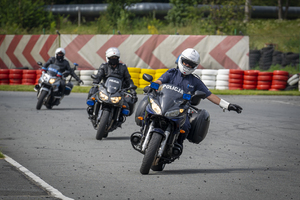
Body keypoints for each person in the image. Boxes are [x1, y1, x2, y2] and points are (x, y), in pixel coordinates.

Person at [154, 48, 243, 148]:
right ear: (181, 60)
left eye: (190, 64)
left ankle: (176, 146)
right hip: (164, 104)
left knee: (186, 126)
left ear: (194, 66)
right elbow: (159, 81)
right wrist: (152, 86)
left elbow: (210, 95)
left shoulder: (195, 81)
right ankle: (144, 131)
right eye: (186, 62)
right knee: (150, 109)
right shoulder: (171, 73)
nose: (187, 65)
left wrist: (228, 105)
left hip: (181, 110)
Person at [87, 47, 138, 115]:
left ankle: (120, 116)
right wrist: (95, 83)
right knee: (93, 90)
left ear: (118, 58)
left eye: (115, 58)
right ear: (107, 58)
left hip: (119, 90)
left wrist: (132, 91)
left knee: (129, 101)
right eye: (112, 58)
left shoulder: (123, 67)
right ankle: (91, 108)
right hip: (105, 89)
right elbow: (98, 76)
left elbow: (128, 79)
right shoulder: (104, 66)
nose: (113, 59)